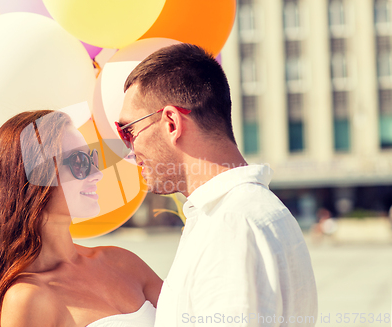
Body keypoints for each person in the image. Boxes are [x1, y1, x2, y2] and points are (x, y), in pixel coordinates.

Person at [117, 43, 318, 326]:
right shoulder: (247, 212)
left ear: (171, 123)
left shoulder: (232, 225)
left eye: (128, 131)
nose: (129, 148)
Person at [0, 110, 162, 327]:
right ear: (32, 178)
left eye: (92, 158)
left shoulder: (123, 262)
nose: (97, 174)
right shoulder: (28, 298)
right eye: (79, 161)